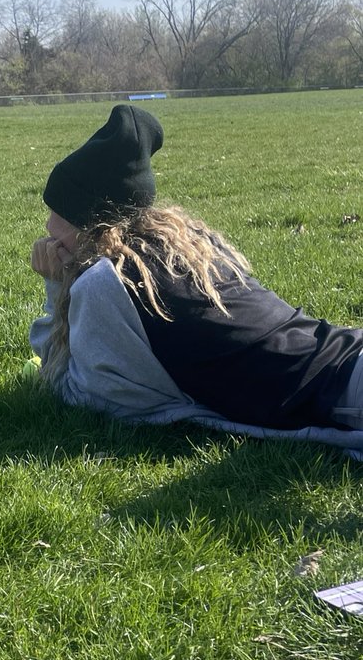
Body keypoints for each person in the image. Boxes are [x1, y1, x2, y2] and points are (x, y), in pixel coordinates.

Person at [29, 104, 363, 456]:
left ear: (90, 225)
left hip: (342, 392)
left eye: (58, 218)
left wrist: (56, 284)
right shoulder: (188, 248)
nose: (49, 234)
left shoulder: (106, 285)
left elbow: (82, 393)